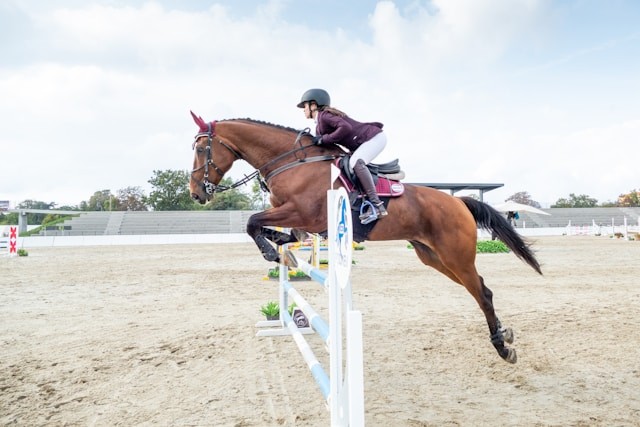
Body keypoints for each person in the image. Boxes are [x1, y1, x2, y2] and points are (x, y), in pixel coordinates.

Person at [297, 88, 388, 223]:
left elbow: (346, 127)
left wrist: (324, 139)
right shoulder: (319, 124)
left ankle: (377, 205)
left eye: (304, 106)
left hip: (374, 138)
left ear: (313, 105)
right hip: (365, 141)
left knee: (355, 162)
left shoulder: (324, 115)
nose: (303, 110)